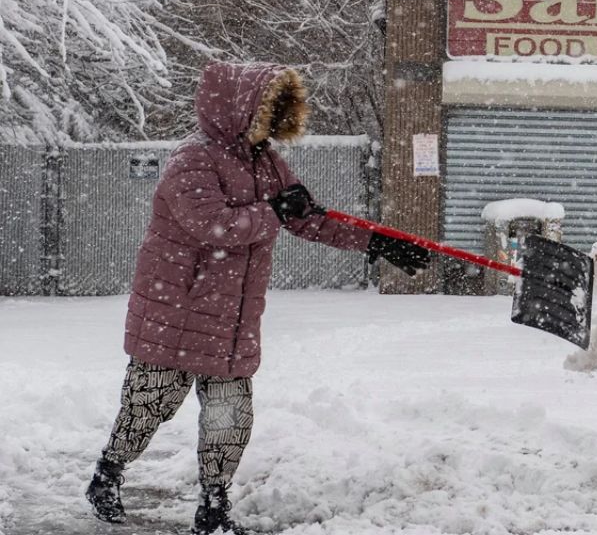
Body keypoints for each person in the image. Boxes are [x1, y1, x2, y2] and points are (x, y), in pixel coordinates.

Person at [85, 62, 432, 535]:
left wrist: (376, 240)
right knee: (149, 405)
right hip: (177, 310)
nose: (270, 125)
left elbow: (307, 218)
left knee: (231, 417)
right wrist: (271, 210)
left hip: (233, 316)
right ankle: (108, 472)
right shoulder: (193, 160)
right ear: (237, 110)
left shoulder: (265, 160)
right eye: (266, 113)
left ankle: (214, 506)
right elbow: (213, 226)